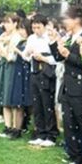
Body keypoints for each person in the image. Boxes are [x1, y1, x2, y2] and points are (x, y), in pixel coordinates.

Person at [50, 5, 82, 164]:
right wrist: (54, 43)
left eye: (67, 19)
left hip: (80, 86)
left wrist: (68, 54)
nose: (65, 22)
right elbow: (58, 57)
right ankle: (75, 154)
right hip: (68, 85)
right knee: (69, 122)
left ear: (77, 19)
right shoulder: (69, 37)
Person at [24, 14, 58, 147]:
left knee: (47, 103)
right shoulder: (31, 38)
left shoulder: (49, 38)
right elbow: (25, 56)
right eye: (34, 28)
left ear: (44, 26)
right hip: (34, 71)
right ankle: (40, 132)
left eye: (38, 27)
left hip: (46, 72)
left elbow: (57, 58)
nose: (36, 30)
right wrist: (29, 53)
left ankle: (51, 134)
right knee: (37, 104)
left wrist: (43, 58)